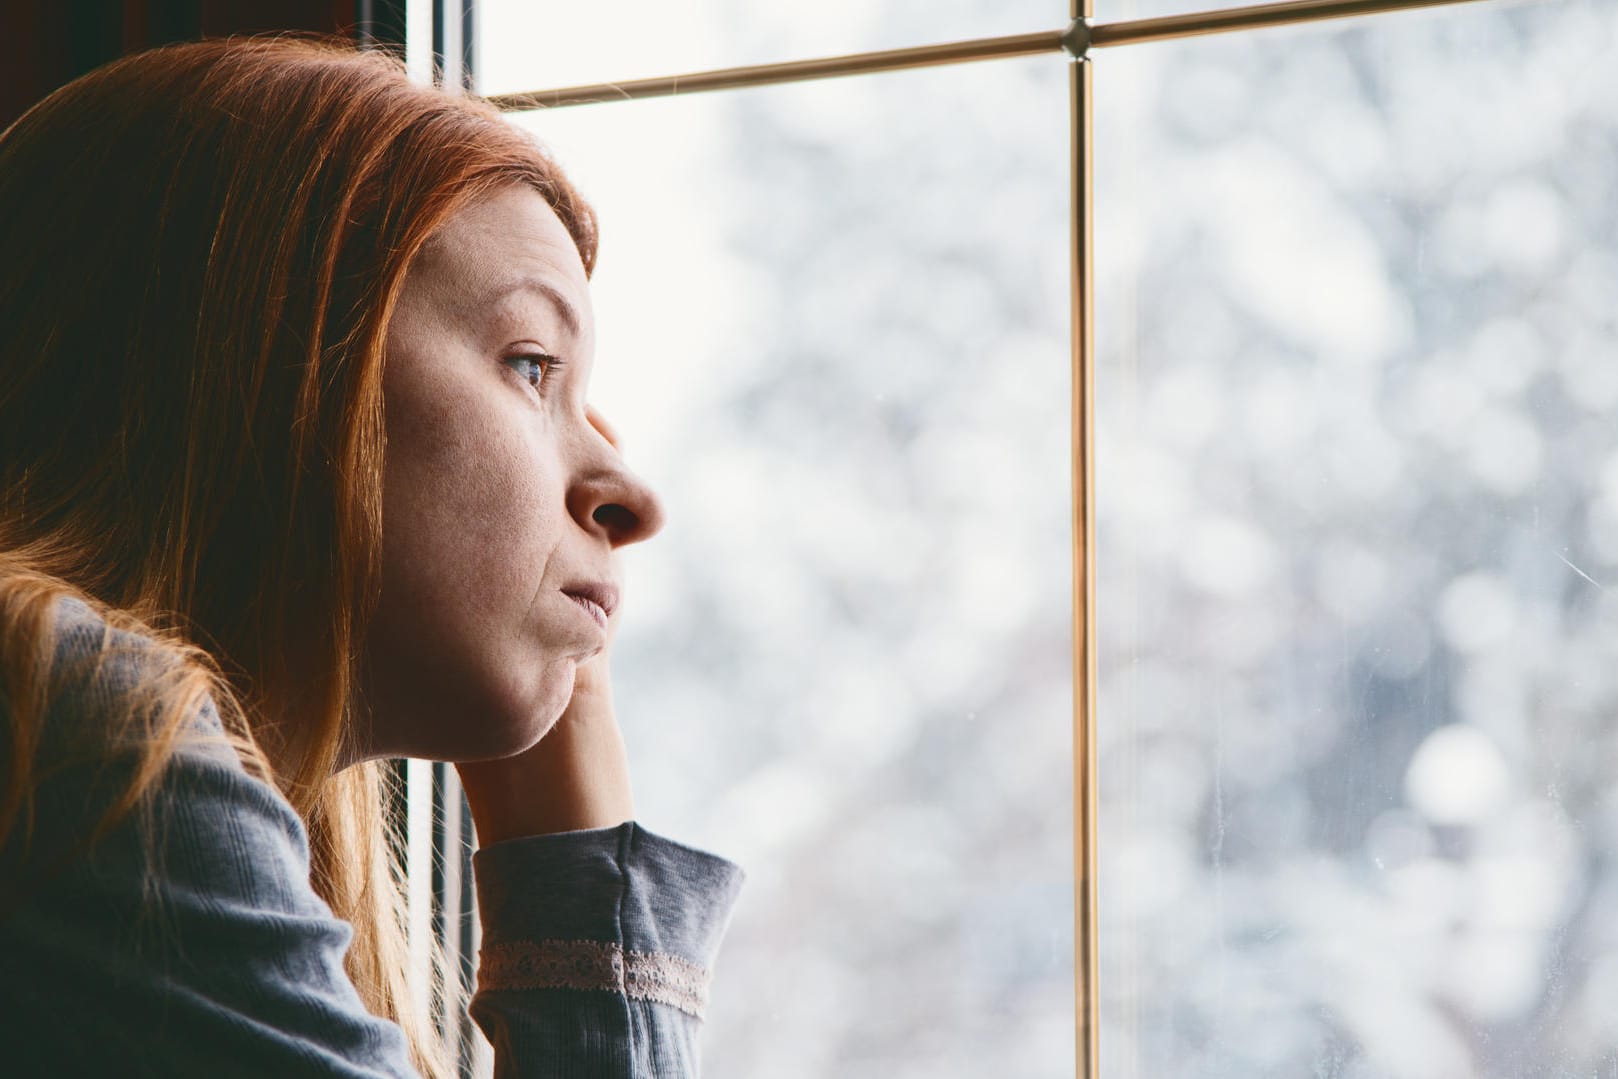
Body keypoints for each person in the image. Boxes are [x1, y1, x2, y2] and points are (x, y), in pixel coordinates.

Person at [0, 34, 744, 1078]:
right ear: (273, 364)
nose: (631, 495)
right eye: (532, 366)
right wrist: (581, 868)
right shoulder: (81, 728)